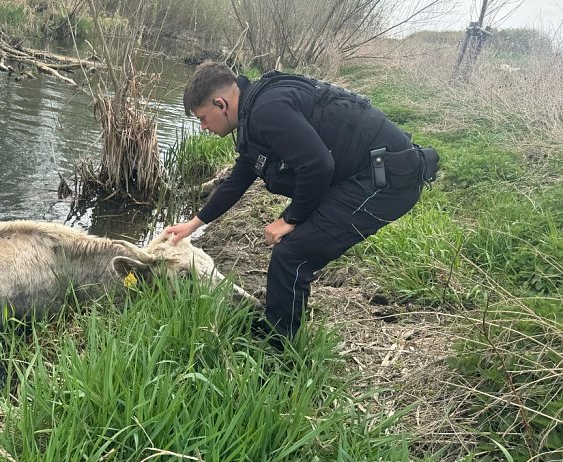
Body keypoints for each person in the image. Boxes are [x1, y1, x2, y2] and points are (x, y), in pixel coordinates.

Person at [163, 61, 437, 343]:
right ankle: (278, 328)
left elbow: (318, 166)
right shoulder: (256, 107)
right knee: (294, 246)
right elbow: (239, 178)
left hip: (387, 181)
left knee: (292, 254)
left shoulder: (266, 111)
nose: (203, 127)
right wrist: (193, 224)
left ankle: (280, 350)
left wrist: (290, 218)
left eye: (203, 118)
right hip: (367, 173)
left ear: (220, 104)